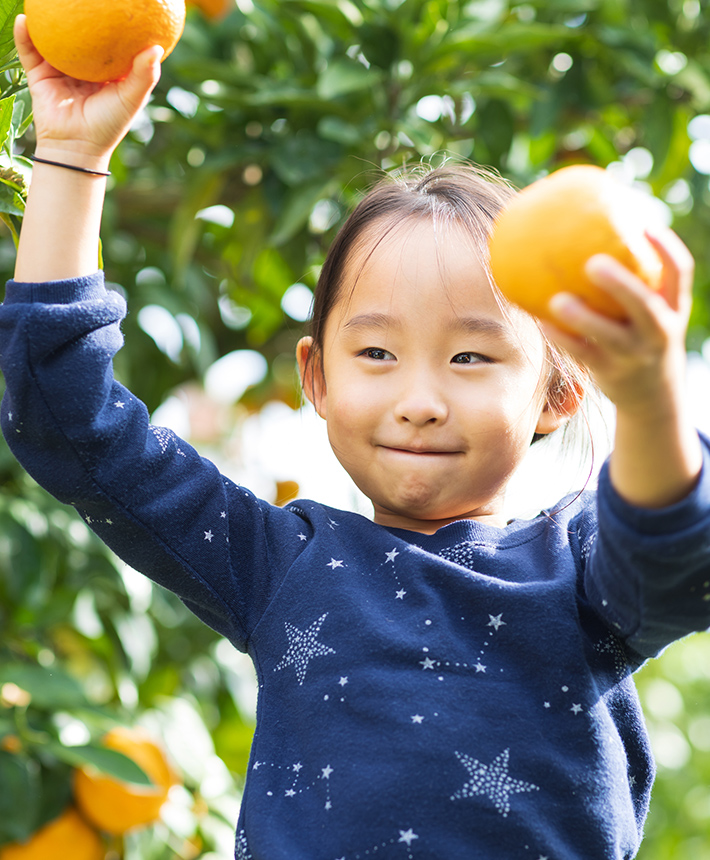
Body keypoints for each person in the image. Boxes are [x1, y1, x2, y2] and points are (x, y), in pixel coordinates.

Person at [2, 14, 710, 860]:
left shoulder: (580, 575)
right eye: (376, 352)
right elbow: (66, 418)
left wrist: (649, 391)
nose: (419, 399)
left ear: (558, 391)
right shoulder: (280, 564)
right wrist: (74, 159)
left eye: (471, 356)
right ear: (318, 380)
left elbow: (674, 558)